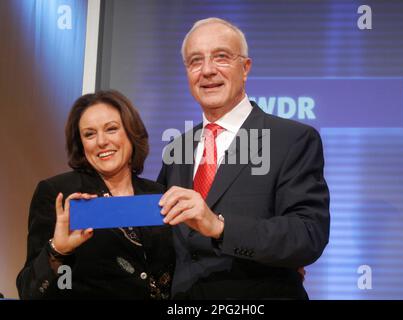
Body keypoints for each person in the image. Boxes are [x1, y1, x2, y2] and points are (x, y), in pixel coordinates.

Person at [157, 17, 330, 299]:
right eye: (195, 61)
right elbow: (165, 238)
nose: (208, 70)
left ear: (245, 67)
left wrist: (220, 227)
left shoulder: (292, 139)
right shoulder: (177, 148)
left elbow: (307, 234)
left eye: (221, 57)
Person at [17, 90, 174, 299]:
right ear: (81, 144)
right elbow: (29, 291)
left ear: (131, 133)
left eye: (111, 129)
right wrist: (57, 251)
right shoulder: (60, 194)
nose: (101, 141)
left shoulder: (158, 193)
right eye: (89, 134)